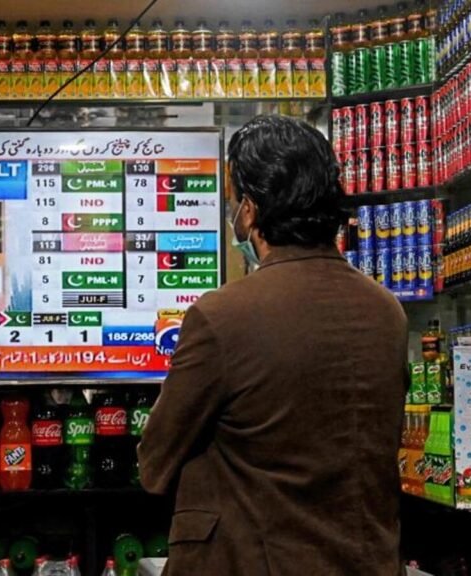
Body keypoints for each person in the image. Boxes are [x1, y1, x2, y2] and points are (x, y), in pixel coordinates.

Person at [138, 116, 406, 575]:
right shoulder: (387, 311)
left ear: (250, 209)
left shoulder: (222, 316)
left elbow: (155, 463)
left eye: (232, 199)